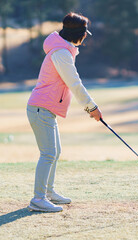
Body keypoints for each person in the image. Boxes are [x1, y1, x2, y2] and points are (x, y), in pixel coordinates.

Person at [26, 12, 102, 212]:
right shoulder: (61, 54)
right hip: (40, 109)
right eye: (84, 34)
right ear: (79, 34)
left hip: (45, 110)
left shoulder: (62, 51)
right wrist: (92, 108)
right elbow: (74, 83)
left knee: (54, 152)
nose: (85, 38)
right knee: (48, 153)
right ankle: (38, 198)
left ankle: (48, 192)